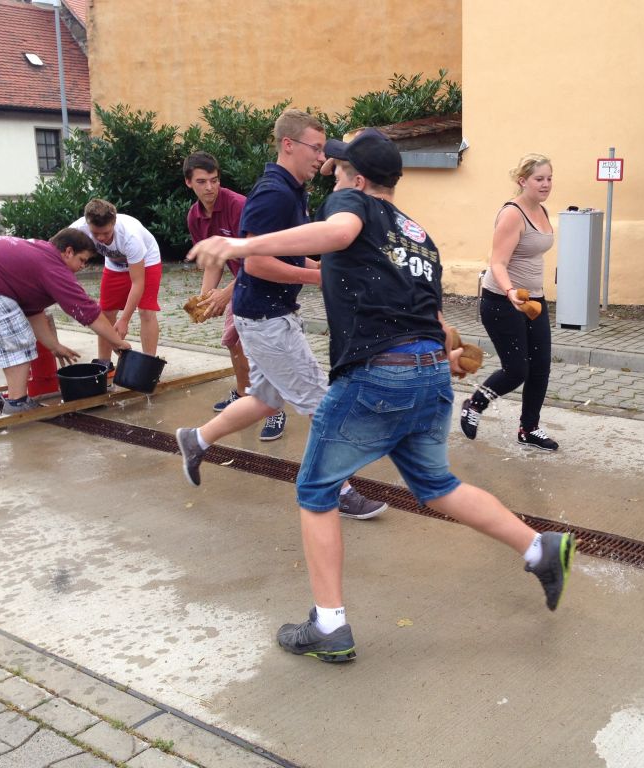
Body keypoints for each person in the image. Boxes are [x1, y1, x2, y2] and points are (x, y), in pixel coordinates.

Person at [187, 128, 575, 663]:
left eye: (341, 166)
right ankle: (538, 547)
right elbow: (437, 323)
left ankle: (329, 625)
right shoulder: (419, 236)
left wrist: (242, 244)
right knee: (437, 485)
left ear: (361, 179)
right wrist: (450, 356)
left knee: (316, 489)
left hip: (378, 373)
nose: (331, 170)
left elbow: (340, 227)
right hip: (426, 375)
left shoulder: (354, 206)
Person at [175, 109, 385, 518]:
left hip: (268, 313)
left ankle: (195, 440)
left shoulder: (292, 189)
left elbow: (287, 250)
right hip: (266, 319)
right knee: (320, 402)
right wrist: (318, 280)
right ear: (288, 145)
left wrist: (321, 269)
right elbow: (255, 263)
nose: (320, 158)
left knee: (266, 399)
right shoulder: (274, 193)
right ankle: (338, 489)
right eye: (315, 148)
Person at [0, 230, 131, 413]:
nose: (83, 266)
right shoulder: (53, 265)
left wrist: (54, 346)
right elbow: (87, 311)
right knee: (21, 340)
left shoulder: (37, 253)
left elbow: (33, 312)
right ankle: (17, 403)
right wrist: (118, 343)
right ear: (68, 252)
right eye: (82, 260)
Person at [460, 153, 559, 451]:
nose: (545, 184)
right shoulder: (513, 214)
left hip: (533, 301)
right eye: (539, 179)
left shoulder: (541, 210)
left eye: (549, 178)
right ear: (522, 181)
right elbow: (498, 263)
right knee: (517, 370)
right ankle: (474, 405)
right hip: (502, 300)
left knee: (540, 367)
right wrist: (511, 292)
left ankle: (529, 429)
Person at [183, 151, 256, 423]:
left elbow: (259, 256)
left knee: (258, 345)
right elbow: (214, 262)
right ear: (189, 183)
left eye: (214, 180)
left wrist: (226, 294)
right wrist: (205, 299)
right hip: (242, 280)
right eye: (202, 182)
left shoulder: (238, 206)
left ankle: (273, 409)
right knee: (232, 341)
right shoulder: (195, 216)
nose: (210, 187)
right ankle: (244, 394)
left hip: (266, 280)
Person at [69, 199, 162, 374]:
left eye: (106, 232)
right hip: (115, 264)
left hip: (147, 261)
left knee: (146, 311)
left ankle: (148, 366)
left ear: (114, 222)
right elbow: (55, 248)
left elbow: (137, 282)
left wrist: (125, 319)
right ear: (87, 223)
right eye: (96, 233)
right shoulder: (77, 229)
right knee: (105, 311)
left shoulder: (130, 236)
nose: (101, 238)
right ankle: (104, 364)